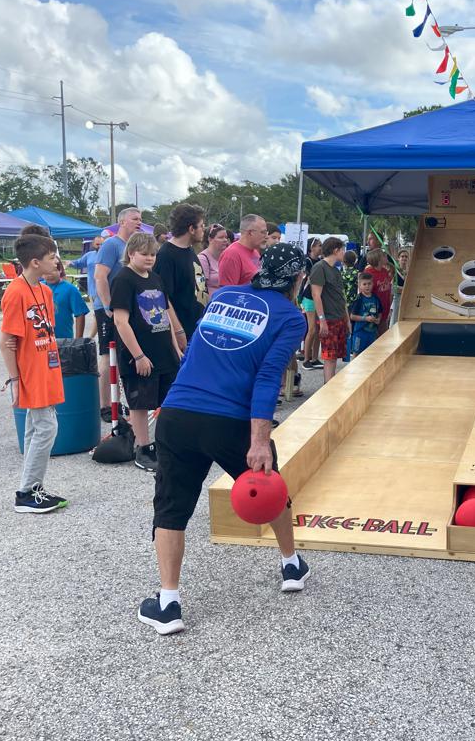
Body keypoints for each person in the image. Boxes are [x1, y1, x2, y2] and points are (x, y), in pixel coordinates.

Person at [137, 243, 312, 635]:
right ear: (298, 278)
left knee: (170, 507)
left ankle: (169, 604)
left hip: (179, 414)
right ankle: (290, 565)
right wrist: (260, 441)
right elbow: (267, 378)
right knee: (271, 486)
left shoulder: (224, 296)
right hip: (230, 420)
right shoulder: (290, 317)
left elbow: (197, 350)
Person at [0, 232, 67, 514]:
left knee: (35, 428)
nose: (57, 262)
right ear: (35, 262)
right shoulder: (15, 292)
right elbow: (6, 342)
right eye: (53, 258)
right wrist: (15, 380)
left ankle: (30, 487)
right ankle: (27, 491)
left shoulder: (45, 291)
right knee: (47, 428)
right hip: (30, 372)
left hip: (47, 367)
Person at [110, 232, 184, 473]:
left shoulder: (155, 278)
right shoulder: (124, 279)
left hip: (164, 352)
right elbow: (121, 321)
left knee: (168, 402)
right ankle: (144, 447)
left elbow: (164, 313)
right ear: (131, 253)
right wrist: (139, 355)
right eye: (144, 254)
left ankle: (164, 445)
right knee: (140, 404)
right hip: (139, 354)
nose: (150, 258)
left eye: (153, 254)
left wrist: (175, 348)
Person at [94, 207, 142, 421]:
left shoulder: (131, 246)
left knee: (122, 355)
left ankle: (120, 401)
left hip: (126, 308)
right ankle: (105, 405)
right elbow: (99, 277)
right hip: (109, 309)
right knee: (107, 355)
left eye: (141, 219)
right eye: (135, 219)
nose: (139, 222)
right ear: (122, 222)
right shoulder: (112, 244)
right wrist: (107, 306)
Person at [155, 203, 206, 344]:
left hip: (196, 328)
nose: (204, 230)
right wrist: (178, 331)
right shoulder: (166, 256)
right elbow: (163, 298)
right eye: (201, 226)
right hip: (182, 332)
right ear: (191, 229)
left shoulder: (189, 250)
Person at [309, 237, 350, 382]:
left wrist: (347, 319)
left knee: (335, 357)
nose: (344, 252)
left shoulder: (335, 269)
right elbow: (316, 295)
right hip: (329, 318)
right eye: (342, 249)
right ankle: (327, 388)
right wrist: (322, 320)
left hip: (339, 317)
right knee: (329, 357)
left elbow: (341, 295)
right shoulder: (320, 267)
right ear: (336, 250)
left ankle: (331, 386)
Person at [43, 255, 89, 339]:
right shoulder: (38, 287)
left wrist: (78, 340)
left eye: (52, 271)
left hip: (64, 339)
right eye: (46, 273)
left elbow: (80, 314)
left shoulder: (70, 289)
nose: (49, 275)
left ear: (60, 270)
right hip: (42, 339)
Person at [218, 213, 265, 287]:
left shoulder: (255, 252)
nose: (266, 236)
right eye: (263, 232)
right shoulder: (231, 255)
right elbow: (227, 293)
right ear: (250, 233)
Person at [300, 237, 323, 371]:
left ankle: (315, 358)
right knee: (312, 328)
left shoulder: (320, 261)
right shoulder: (307, 261)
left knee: (318, 330)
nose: (320, 248)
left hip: (318, 297)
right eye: (318, 245)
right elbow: (309, 277)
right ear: (311, 248)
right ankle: (306, 359)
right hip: (308, 297)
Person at [349, 272, 383, 357]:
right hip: (360, 332)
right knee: (356, 354)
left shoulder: (375, 298)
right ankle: (354, 370)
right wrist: (365, 318)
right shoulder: (358, 299)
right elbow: (352, 316)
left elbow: (380, 311)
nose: (367, 286)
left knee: (370, 354)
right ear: (360, 286)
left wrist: (378, 319)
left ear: (373, 284)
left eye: (369, 284)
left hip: (372, 333)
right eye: (364, 284)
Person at [364, 248, 393, 337]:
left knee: (384, 337)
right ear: (379, 259)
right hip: (374, 313)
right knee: (376, 339)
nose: (386, 256)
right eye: (384, 255)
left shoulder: (384, 271)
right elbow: (365, 294)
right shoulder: (369, 273)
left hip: (384, 311)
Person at [67, 235, 103, 303]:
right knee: (96, 312)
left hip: (106, 290)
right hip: (92, 291)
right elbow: (78, 263)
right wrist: (69, 263)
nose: (100, 246)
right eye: (97, 244)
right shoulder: (89, 255)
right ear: (93, 244)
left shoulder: (108, 255)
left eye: (102, 244)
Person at [198, 224, 229, 295]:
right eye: (221, 237)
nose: (225, 240)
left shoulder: (226, 257)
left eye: (226, 237)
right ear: (210, 239)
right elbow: (200, 288)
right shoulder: (202, 259)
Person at [390, 248, 409, 326]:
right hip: (396, 299)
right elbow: (392, 287)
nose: (404, 258)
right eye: (402, 256)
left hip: (407, 299)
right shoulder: (394, 271)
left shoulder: (410, 272)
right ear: (398, 258)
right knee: (394, 320)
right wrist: (403, 289)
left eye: (406, 257)